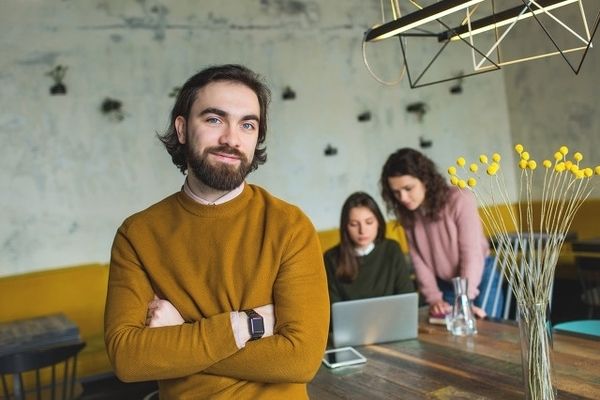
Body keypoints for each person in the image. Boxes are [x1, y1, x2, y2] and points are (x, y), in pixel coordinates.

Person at [104, 64, 330, 399]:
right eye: (214, 119)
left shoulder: (290, 226)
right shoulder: (137, 234)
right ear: (182, 129)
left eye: (247, 125)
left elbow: (300, 359)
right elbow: (127, 358)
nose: (231, 139)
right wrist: (246, 326)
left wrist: (182, 333)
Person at [380, 148, 502, 319]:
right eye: (396, 192)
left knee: (488, 335)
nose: (403, 198)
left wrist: (464, 299)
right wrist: (434, 298)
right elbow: (419, 261)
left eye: (408, 188)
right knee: (455, 339)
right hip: (445, 285)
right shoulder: (407, 212)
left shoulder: (460, 199)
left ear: (425, 179)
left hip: (480, 277)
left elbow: (471, 253)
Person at [324, 191, 415, 303]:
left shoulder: (391, 249)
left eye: (369, 222)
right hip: (351, 320)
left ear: (378, 223)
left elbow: (407, 296)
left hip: (392, 319)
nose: (362, 231)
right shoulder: (331, 258)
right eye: (354, 224)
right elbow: (332, 308)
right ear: (345, 227)